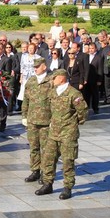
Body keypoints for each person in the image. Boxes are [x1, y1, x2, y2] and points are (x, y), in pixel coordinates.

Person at [35, 69, 88, 200]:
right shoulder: (53, 92)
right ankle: (48, 183)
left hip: (68, 133)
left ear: (62, 78)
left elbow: (83, 112)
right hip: (53, 132)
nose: (52, 81)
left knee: (67, 161)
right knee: (48, 158)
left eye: (54, 78)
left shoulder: (73, 93)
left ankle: (67, 187)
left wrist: (73, 124)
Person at [22, 58, 52, 184]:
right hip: (32, 120)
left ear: (44, 66)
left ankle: (45, 173)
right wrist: (24, 116)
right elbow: (26, 99)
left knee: (45, 149)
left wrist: (53, 119)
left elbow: (54, 101)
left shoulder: (51, 81)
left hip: (46, 121)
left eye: (38, 66)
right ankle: (35, 170)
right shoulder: (31, 81)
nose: (35, 68)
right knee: (34, 147)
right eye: (34, 66)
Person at [84, 43, 103, 113]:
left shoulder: (99, 57)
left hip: (94, 79)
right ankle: (87, 107)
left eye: (92, 48)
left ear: (95, 49)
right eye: (89, 48)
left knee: (95, 94)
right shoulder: (86, 56)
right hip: (86, 78)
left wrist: (99, 80)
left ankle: (95, 108)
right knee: (86, 94)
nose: (91, 50)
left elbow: (100, 69)